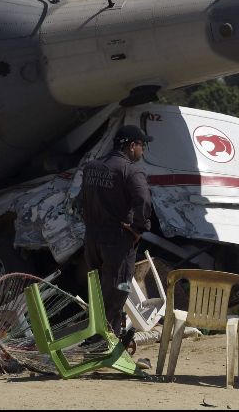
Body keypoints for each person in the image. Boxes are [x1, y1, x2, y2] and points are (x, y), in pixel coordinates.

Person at [81, 125, 153, 342]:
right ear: (132, 146)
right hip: (117, 242)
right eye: (142, 146)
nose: (143, 151)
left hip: (92, 240)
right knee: (118, 289)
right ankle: (104, 342)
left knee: (97, 290)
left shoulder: (91, 167)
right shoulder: (131, 170)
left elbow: (79, 201)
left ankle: (98, 334)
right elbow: (144, 201)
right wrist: (139, 229)